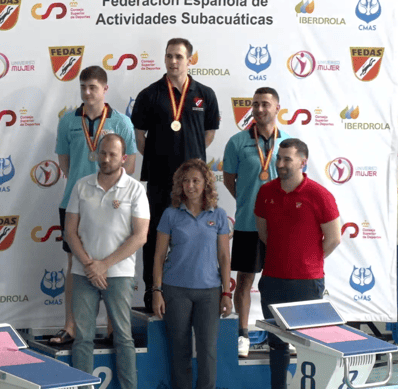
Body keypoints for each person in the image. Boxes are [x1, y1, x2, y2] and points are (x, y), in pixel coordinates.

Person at [132, 38, 220, 312]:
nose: (173, 61)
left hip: (194, 185)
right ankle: (152, 292)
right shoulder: (149, 94)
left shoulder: (205, 94)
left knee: (196, 238)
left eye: (179, 57)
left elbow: (208, 135)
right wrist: (160, 160)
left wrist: (188, 165)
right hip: (160, 182)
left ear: (190, 60)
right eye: (169, 56)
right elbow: (139, 137)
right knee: (154, 239)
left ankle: (195, 291)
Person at [53, 66, 137, 344]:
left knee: (112, 263)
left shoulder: (121, 122)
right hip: (76, 200)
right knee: (73, 263)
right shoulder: (68, 121)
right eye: (83, 87)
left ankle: (114, 328)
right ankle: (70, 326)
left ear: (104, 89)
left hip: (113, 202)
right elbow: (65, 164)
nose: (87, 92)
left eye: (93, 87)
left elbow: (130, 164)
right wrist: (84, 182)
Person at [254, 138, 341, 389]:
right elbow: (264, 233)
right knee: (276, 344)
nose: (280, 164)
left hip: (307, 283)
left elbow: (334, 238)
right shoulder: (266, 192)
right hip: (272, 280)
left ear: (303, 162)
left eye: (287, 159)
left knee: (310, 345)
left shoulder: (320, 195)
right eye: (279, 158)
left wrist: (308, 261)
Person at [65, 134, 150, 389]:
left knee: (123, 337)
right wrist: (90, 266)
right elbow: (70, 232)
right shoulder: (81, 185)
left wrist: (104, 264)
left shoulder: (135, 189)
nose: (106, 158)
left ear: (123, 158)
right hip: (84, 273)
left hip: (119, 274)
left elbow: (140, 236)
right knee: (83, 338)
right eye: (102, 153)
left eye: (113, 154)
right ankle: (82, 386)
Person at [152, 159, 232, 389]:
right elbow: (158, 256)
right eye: (186, 181)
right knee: (180, 350)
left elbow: (224, 257)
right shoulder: (170, 214)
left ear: (206, 183)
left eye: (196, 180)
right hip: (175, 290)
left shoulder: (219, 215)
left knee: (208, 350)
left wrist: (226, 293)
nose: (190, 186)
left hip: (209, 292)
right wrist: (157, 290)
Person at [223, 87, 290, 357]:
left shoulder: (288, 143)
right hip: (248, 223)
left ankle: (285, 335)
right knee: (244, 280)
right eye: (256, 104)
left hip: (280, 227)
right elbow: (229, 180)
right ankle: (242, 335)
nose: (259, 109)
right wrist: (248, 201)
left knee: (283, 282)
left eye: (265, 104)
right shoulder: (237, 142)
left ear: (277, 108)